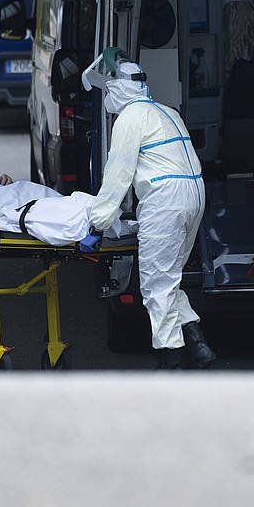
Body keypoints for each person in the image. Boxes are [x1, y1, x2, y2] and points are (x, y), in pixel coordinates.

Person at [85, 48, 217, 369]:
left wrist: (97, 223)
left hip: (165, 199)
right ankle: (198, 345)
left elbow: (118, 175)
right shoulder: (167, 112)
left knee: (156, 283)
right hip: (194, 194)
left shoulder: (130, 118)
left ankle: (170, 358)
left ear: (117, 88)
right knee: (169, 278)